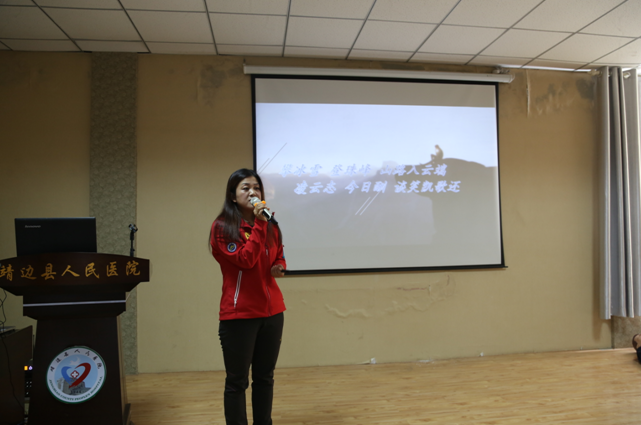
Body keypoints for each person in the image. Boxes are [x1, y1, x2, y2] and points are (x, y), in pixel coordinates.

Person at [210, 168, 287, 425]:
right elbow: (245, 260)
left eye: (256, 187)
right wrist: (260, 224)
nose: (252, 192)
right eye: (245, 188)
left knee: (265, 377)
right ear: (233, 196)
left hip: (273, 312)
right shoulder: (223, 227)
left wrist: (279, 266)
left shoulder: (270, 223)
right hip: (239, 314)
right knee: (237, 381)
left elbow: (278, 253)